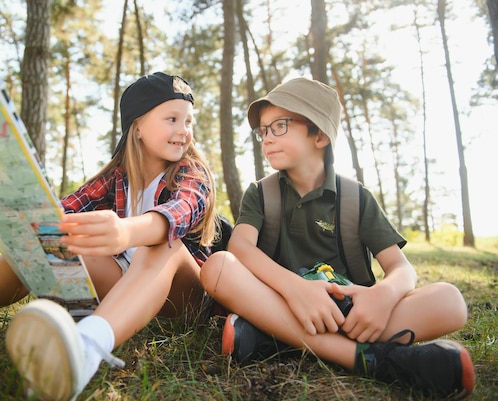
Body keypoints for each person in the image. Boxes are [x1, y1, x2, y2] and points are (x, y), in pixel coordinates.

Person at [0, 72, 218, 401]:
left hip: (182, 302)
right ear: (137, 126)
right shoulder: (116, 176)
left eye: (188, 121)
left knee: (161, 245)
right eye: (172, 119)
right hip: (126, 294)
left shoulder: (191, 172)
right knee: (50, 238)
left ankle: (85, 350)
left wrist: (127, 231)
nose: (184, 131)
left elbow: (181, 212)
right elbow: (52, 216)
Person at [200, 77, 475, 399]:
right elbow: (240, 246)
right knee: (218, 266)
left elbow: (401, 268)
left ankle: (273, 338)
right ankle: (372, 359)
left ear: (320, 135)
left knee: (450, 301)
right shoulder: (261, 193)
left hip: (353, 314)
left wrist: (383, 295)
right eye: (263, 130)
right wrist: (296, 288)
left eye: (280, 126)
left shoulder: (356, 198)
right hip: (286, 301)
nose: (266, 139)